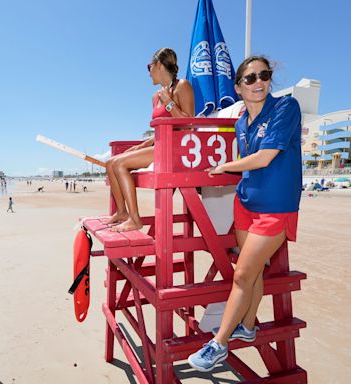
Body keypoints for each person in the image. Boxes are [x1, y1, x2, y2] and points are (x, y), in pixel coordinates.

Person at [187, 55, 302, 372]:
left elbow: (264, 158)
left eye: (263, 75)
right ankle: (248, 327)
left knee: (241, 276)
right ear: (238, 87)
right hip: (246, 203)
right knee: (250, 271)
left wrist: (224, 166)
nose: (259, 82)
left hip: (276, 207)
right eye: (250, 78)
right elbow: (249, 160)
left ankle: (219, 344)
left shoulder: (285, 108)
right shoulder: (240, 123)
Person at [104, 47, 195, 232]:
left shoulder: (182, 86)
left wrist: (169, 103)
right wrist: (140, 146)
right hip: (161, 146)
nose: (148, 73)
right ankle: (122, 212)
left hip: (177, 148)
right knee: (111, 163)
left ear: (159, 65)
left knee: (120, 165)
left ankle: (135, 220)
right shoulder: (155, 97)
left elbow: (188, 125)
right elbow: (159, 131)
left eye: (149, 67)